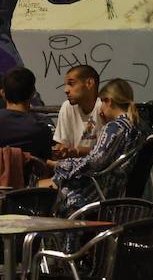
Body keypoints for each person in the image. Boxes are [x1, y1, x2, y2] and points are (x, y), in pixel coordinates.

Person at [42, 78, 143, 215]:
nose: (100, 109)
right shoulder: (133, 127)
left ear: (109, 101)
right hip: (114, 190)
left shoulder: (114, 128)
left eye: (101, 102)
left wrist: (59, 164)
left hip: (96, 192)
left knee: (37, 191)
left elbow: (95, 161)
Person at [52, 64, 101, 159]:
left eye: (71, 84)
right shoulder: (67, 107)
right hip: (73, 167)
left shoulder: (103, 107)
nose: (66, 90)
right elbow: (62, 144)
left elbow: (107, 151)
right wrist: (61, 149)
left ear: (89, 83)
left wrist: (77, 151)